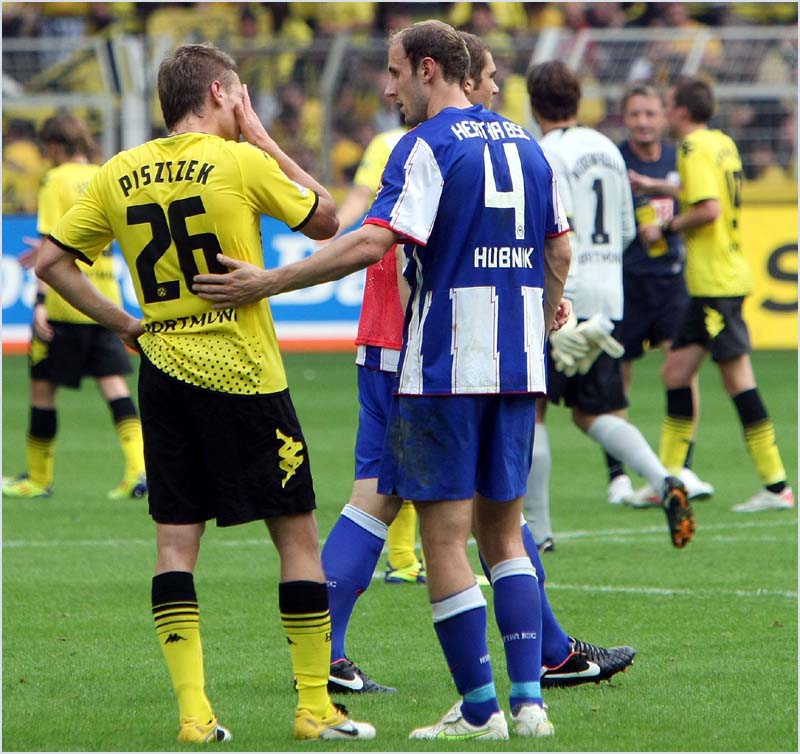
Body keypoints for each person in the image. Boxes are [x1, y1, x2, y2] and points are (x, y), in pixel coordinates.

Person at [192, 18, 574, 740]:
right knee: (506, 538)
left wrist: (268, 281)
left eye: (395, 72)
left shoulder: (424, 146)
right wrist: (551, 303)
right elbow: (559, 245)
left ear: (429, 69)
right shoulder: (527, 144)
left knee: (443, 543)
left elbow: (372, 240)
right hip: (521, 364)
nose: (388, 86)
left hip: (446, 368)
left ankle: (482, 711)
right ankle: (531, 704)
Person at [35, 43, 375, 743]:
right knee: (298, 539)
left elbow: (51, 264)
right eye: (240, 95)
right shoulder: (241, 160)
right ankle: (314, 707)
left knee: (174, 547)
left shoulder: (117, 172)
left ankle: (194, 716)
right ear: (221, 93)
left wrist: (128, 322)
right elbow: (327, 221)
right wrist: (261, 135)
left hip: (163, 370)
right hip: (246, 372)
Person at [321, 30, 635, 699]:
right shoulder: (440, 141)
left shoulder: (430, 140)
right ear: (458, 75)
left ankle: (542, 656)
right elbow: (379, 243)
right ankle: (518, 677)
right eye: (489, 75)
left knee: (465, 512)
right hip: (429, 350)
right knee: (442, 513)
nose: (493, 88)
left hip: (436, 347)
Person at [523, 61, 695, 551]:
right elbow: (623, 230)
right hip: (609, 298)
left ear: (535, 106)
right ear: (578, 100)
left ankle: (539, 531)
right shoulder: (607, 150)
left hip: (563, 297)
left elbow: (557, 231)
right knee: (593, 413)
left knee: (531, 408)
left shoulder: (545, 152)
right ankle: (665, 480)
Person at [637, 76, 793, 513]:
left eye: (668, 105)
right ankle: (668, 478)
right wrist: (657, 189)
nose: (666, 113)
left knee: (737, 378)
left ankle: (777, 483)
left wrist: (664, 227)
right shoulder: (720, 143)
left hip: (716, 285)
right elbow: (704, 193)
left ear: (683, 111)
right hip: (712, 284)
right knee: (675, 373)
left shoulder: (690, 148)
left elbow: (708, 209)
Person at [3, 113, 147, 502]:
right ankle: (138, 471)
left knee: (43, 388)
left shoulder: (55, 179)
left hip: (67, 303)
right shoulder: (106, 175)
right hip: (105, 302)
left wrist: (38, 304)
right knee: (115, 386)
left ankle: (38, 478)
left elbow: (52, 243)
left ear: (52, 146)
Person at [610, 82, 714, 506]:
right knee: (619, 375)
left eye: (651, 113)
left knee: (682, 370)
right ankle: (616, 475)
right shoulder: (615, 159)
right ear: (625, 117)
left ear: (663, 116)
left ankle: (682, 464)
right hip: (627, 279)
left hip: (673, 281)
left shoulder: (679, 158)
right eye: (635, 114)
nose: (644, 122)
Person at [334, 121, 426, 590]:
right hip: (409, 336)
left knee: (381, 474)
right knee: (465, 479)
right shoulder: (435, 146)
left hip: (379, 332)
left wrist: (336, 229)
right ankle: (405, 558)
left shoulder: (387, 142)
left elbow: (360, 198)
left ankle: (404, 558)